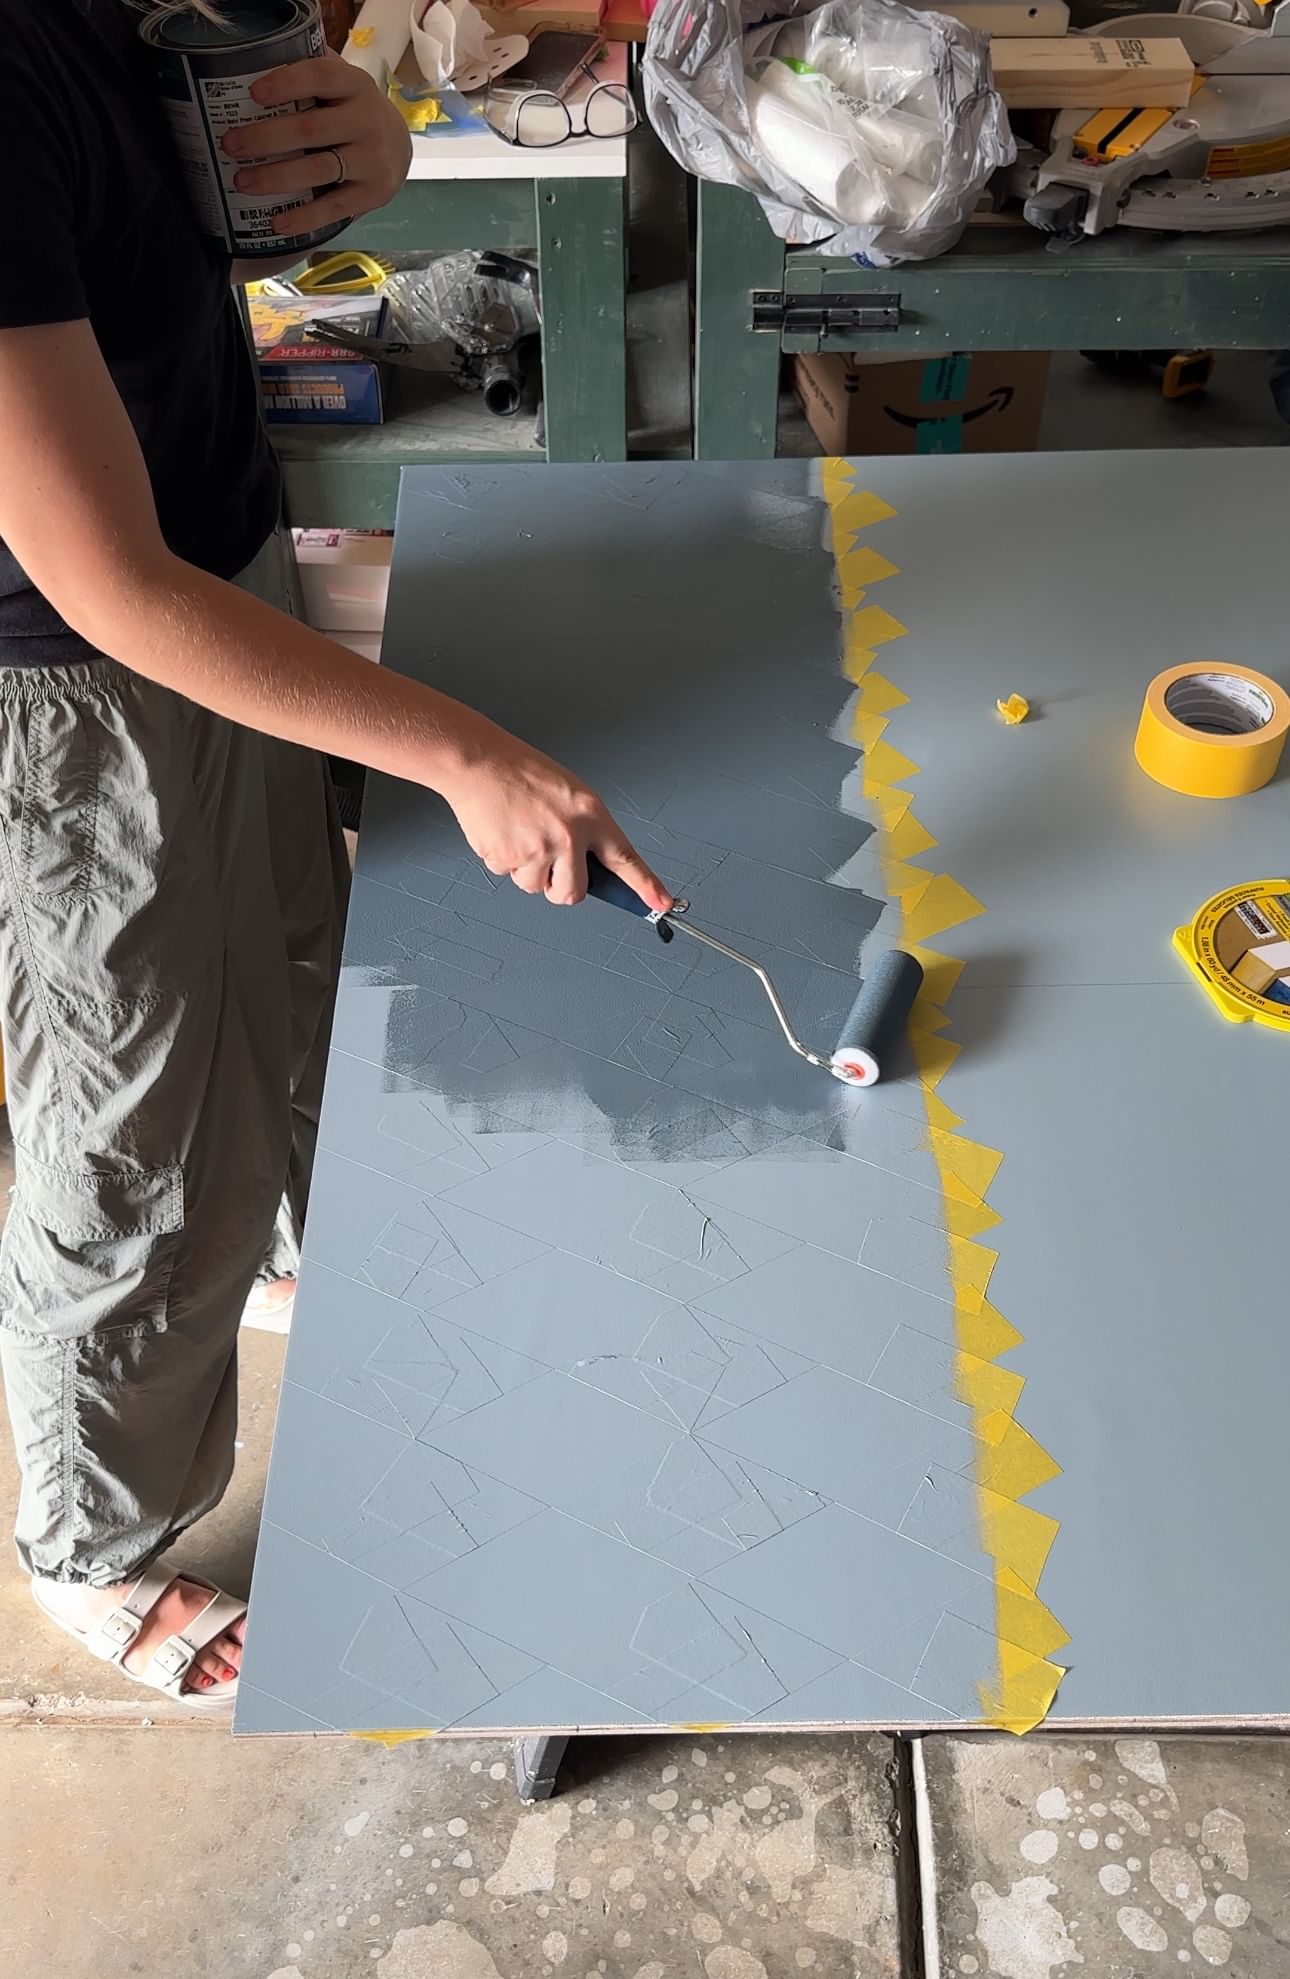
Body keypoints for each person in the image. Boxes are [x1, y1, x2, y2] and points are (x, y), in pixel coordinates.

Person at [0, 0, 668, 1710]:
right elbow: (106, 589)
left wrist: (363, 133)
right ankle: (102, 1543)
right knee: (137, 1128)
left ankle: (290, 1242)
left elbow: (170, 176)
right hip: (69, 685)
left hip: (220, 554)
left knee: (292, 941)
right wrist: (464, 755)